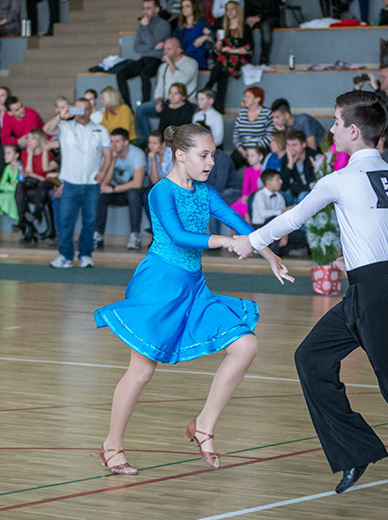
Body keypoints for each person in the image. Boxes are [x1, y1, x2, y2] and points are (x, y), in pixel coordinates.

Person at [229, 90, 388, 504]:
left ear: (353, 130)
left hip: (375, 295)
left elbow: (295, 216)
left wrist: (251, 241)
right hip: (377, 286)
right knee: (311, 358)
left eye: (335, 121)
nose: (331, 128)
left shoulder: (342, 179)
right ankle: (356, 450)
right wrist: (349, 260)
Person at [93, 123, 292, 476]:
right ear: (180, 155)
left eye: (213, 154)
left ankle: (203, 426)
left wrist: (269, 254)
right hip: (157, 285)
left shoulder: (205, 192)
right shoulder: (160, 192)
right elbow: (180, 236)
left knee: (245, 346)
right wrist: (224, 242)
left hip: (193, 287)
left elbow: (238, 223)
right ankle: (111, 445)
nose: (211, 162)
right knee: (141, 372)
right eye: (204, 155)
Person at [50, 98, 113, 268]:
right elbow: (46, 130)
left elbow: (108, 155)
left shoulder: (101, 130)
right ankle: (65, 256)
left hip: (92, 184)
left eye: (84, 109)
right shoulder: (65, 127)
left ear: (91, 110)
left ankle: (85, 255)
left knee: (90, 221)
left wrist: (102, 174)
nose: (80, 113)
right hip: (70, 183)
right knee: (65, 221)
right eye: (76, 109)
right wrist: (60, 116)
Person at [135, 36, 199, 140]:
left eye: (169, 49)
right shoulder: (163, 67)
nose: (165, 52)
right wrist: (158, 101)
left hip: (186, 102)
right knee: (141, 109)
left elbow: (181, 82)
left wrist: (170, 63)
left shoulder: (191, 63)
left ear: (179, 50)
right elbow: (160, 87)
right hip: (167, 102)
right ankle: (150, 142)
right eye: (164, 49)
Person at [95, 127, 148, 250]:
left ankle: (135, 236)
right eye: (111, 141)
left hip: (134, 192)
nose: (113, 145)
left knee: (133, 193)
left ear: (126, 142)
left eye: (117, 141)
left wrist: (112, 189)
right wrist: (112, 160)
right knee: (101, 194)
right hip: (118, 192)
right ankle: (98, 235)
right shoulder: (109, 154)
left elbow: (137, 183)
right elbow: (104, 184)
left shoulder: (137, 154)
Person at [117, 0, 172, 108]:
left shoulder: (164, 25)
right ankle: (128, 107)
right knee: (121, 74)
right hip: (144, 58)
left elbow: (150, 43)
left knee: (144, 73)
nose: (145, 11)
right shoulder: (141, 25)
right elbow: (137, 47)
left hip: (156, 59)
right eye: (144, 8)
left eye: (148, 8)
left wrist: (146, 28)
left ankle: (144, 105)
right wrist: (151, 45)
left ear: (156, 9)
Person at [205, 0, 253, 113]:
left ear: (238, 10)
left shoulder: (245, 28)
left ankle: (208, 87)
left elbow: (249, 49)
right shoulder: (224, 28)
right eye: (227, 9)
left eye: (233, 9)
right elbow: (218, 50)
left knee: (221, 60)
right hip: (226, 60)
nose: (230, 12)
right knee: (223, 73)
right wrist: (218, 41)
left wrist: (232, 50)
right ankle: (219, 108)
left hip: (240, 58)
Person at [12, 128, 59, 242]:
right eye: (28, 138)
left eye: (33, 139)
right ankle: (24, 221)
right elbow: (28, 173)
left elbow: (45, 174)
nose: (29, 141)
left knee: (40, 187)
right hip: (34, 182)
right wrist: (30, 154)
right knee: (20, 186)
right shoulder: (25, 153)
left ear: (39, 140)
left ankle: (26, 222)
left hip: (44, 183)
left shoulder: (47, 153)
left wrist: (33, 175)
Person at [231, 85, 275, 168]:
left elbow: (270, 135)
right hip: (243, 150)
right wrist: (241, 149)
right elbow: (236, 134)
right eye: (245, 96)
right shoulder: (242, 113)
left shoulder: (266, 113)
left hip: (260, 149)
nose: (245, 99)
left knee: (256, 162)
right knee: (228, 165)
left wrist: (254, 149)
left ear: (257, 99)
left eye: (248, 96)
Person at [173, 0, 213, 70]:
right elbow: (174, 41)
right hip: (184, 56)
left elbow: (214, 37)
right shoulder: (180, 27)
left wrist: (205, 37)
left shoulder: (201, 23)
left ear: (194, 8)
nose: (184, 9)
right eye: (183, 7)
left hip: (200, 55)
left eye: (187, 6)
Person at [280, 129, 317, 204]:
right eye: (288, 145)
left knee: (302, 196)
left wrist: (295, 188)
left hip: (311, 193)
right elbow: (283, 186)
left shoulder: (313, 156)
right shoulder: (286, 159)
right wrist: (290, 165)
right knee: (278, 196)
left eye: (294, 145)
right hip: (294, 193)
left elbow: (314, 184)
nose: (291, 149)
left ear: (303, 144)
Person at [231, 144, 265, 219]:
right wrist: (244, 196)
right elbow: (245, 186)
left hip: (258, 195)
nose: (249, 158)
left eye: (252, 155)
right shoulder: (248, 170)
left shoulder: (264, 170)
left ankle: (249, 229)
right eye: (248, 156)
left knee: (246, 209)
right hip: (248, 195)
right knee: (232, 212)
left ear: (260, 157)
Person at [244, 0, 279, 66]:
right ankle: (246, 59)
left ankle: (264, 61)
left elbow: (274, 10)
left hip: (271, 17)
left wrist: (258, 17)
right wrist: (248, 19)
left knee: (265, 27)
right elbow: (247, 10)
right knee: (245, 27)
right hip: (255, 18)